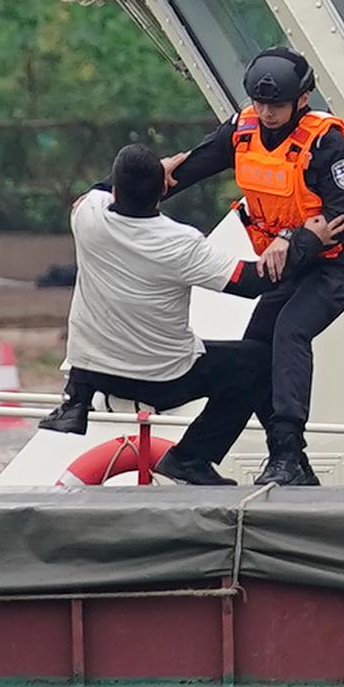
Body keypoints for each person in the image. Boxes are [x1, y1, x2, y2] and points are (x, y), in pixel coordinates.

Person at [211, 47, 344, 487]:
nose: (266, 112)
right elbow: (194, 165)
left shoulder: (325, 142)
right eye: (260, 103)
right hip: (291, 271)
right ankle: (287, 459)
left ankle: (285, 450)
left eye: (276, 105)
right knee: (253, 351)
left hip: (336, 269)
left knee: (290, 331)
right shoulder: (244, 128)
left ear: (301, 100)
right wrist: (129, 189)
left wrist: (290, 241)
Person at [55, 145, 250, 481]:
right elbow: (249, 283)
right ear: (163, 189)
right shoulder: (180, 242)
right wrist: (305, 240)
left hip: (94, 369)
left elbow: (92, 194)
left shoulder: (87, 217)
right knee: (258, 364)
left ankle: (76, 400)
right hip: (161, 379)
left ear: (115, 188)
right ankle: (192, 458)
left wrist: (157, 169)